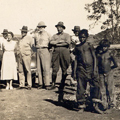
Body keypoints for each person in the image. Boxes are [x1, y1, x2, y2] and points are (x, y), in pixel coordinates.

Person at [74, 29, 101, 112]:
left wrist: (95, 69)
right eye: (80, 37)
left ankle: (95, 105)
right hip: (81, 69)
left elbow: (94, 58)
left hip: (91, 69)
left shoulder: (90, 46)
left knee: (95, 86)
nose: (81, 39)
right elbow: (76, 60)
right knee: (81, 87)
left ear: (86, 37)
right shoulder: (77, 47)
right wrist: (74, 72)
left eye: (83, 37)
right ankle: (81, 106)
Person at [49, 21, 71, 102]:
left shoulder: (67, 35)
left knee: (64, 68)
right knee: (55, 69)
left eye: (60, 27)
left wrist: (57, 43)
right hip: (56, 53)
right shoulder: (54, 36)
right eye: (58, 27)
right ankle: (53, 84)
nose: (59, 28)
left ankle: (62, 84)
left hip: (65, 52)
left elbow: (67, 43)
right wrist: (60, 42)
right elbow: (51, 42)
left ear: (63, 28)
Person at [96, 39, 118, 113]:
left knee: (110, 89)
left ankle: (111, 105)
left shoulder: (110, 54)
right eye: (102, 47)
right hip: (101, 74)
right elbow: (98, 64)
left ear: (108, 47)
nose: (103, 48)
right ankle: (104, 105)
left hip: (109, 73)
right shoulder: (99, 55)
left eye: (105, 47)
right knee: (102, 90)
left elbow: (116, 64)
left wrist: (109, 69)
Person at [34, 21, 51, 90]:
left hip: (45, 49)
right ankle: (40, 83)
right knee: (39, 68)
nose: (40, 28)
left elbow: (50, 43)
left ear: (44, 27)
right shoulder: (36, 35)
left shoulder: (48, 34)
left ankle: (47, 83)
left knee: (46, 67)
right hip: (38, 50)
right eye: (39, 27)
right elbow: (35, 43)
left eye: (41, 27)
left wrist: (48, 49)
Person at [17, 26, 34, 90]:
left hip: (26, 56)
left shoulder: (29, 38)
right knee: (20, 70)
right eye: (22, 31)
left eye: (24, 31)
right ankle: (22, 84)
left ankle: (29, 85)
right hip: (20, 56)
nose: (23, 32)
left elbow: (33, 47)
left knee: (28, 70)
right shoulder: (21, 39)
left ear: (26, 32)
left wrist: (30, 54)